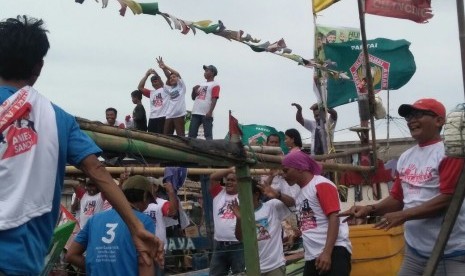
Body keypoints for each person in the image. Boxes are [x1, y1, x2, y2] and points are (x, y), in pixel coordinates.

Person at [0, 15, 161, 275]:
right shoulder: (58, 119)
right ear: (39, 66)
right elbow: (97, 172)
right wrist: (136, 227)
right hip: (20, 263)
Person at [339, 98, 465, 276]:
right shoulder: (406, 157)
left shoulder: (449, 153)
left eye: (419, 114)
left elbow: (449, 199)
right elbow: (397, 198)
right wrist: (369, 209)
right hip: (415, 251)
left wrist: (404, 215)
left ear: (439, 121)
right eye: (409, 116)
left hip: (450, 251)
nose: (411, 120)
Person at [66, 175, 156, 276]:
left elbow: (71, 255)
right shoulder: (144, 221)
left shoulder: (95, 219)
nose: (148, 205)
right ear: (145, 197)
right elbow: (144, 262)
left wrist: (95, 269)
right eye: (149, 201)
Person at [282, 150, 352, 276]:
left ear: (299, 168)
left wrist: (327, 252)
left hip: (333, 251)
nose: (283, 175)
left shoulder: (321, 184)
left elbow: (334, 218)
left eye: (286, 170)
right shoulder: (299, 194)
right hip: (312, 255)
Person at [231, 179, 295, 275]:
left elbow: (292, 203)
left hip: (275, 266)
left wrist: (278, 195)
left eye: (244, 193)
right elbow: (239, 237)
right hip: (252, 267)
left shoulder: (271, 206)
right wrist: (239, 219)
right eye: (239, 194)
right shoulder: (241, 212)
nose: (240, 197)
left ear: (256, 194)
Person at [209, 168, 245, 276]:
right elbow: (213, 177)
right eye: (228, 180)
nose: (229, 182)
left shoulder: (245, 195)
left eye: (233, 180)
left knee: (240, 274)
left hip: (238, 245)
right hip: (219, 245)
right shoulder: (218, 193)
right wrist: (230, 169)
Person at [144, 177, 179, 276]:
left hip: (157, 249)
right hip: (141, 247)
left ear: (155, 187)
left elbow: (172, 212)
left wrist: (171, 193)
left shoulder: (161, 203)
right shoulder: (139, 203)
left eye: (148, 185)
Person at [188, 65, 220, 140]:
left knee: (208, 135)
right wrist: (193, 90)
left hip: (206, 114)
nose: (204, 73)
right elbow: (193, 98)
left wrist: (210, 111)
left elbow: (214, 98)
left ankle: (210, 150)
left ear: (212, 73)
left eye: (207, 71)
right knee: (191, 134)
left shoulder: (215, 85)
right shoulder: (201, 84)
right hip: (196, 112)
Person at [158, 57, 187, 137]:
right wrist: (163, 69)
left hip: (179, 115)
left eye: (174, 77)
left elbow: (177, 74)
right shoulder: (169, 89)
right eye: (170, 78)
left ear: (178, 79)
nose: (172, 78)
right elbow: (167, 78)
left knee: (181, 136)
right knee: (166, 136)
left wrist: (165, 66)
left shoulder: (181, 86)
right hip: (169, 115)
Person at [138, 68, 168, 134]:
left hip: (163, 117)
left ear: (159, 81)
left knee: (163, 137)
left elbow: (162, 82)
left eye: (155, 81)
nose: (154, 83)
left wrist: (156, 74)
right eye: (152, 82)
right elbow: (140, 87)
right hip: (152, 118)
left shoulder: (165, 90)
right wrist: (146, 75)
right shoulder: (151, 93)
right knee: (151, 136)